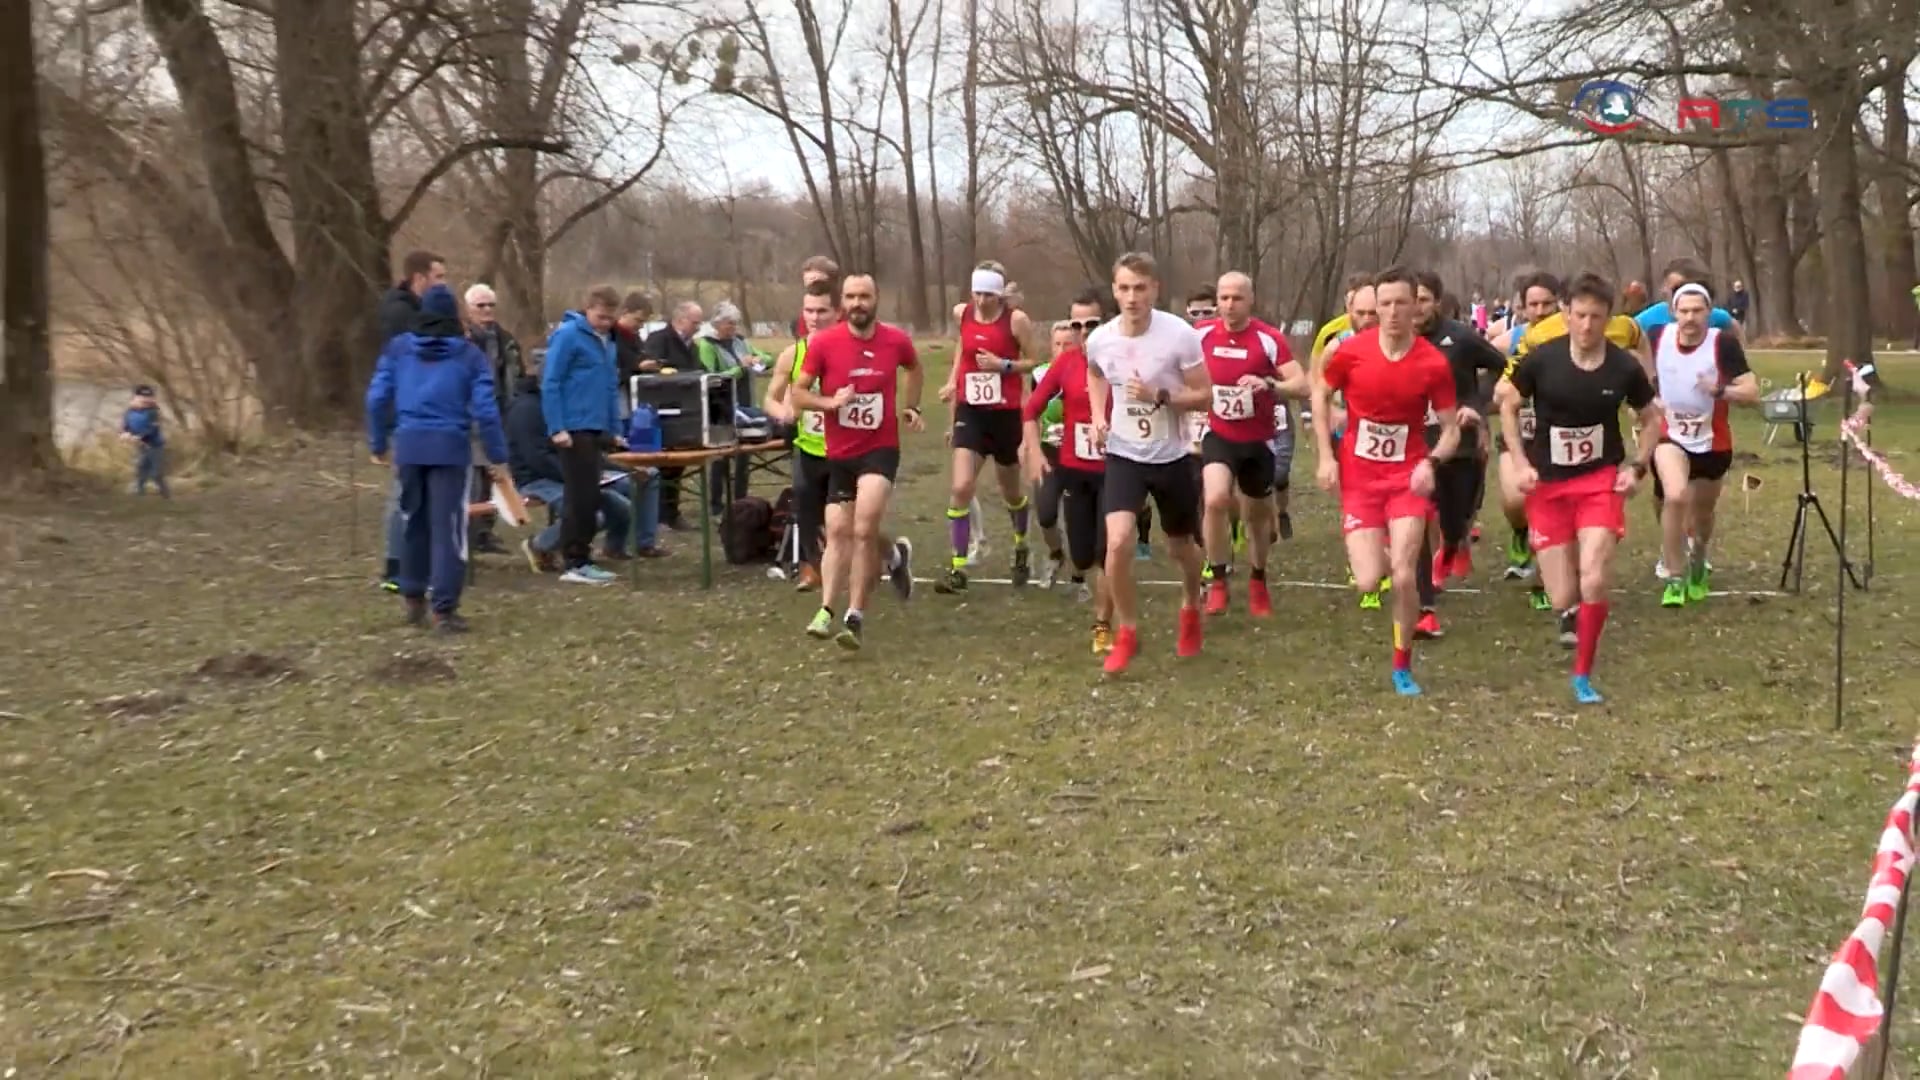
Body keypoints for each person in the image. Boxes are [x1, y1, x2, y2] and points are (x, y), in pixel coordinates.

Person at [1500, 273, 1660, 704]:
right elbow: (1508, 404)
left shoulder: (1623, 366)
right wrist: (1518, 460)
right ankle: (1568, 613)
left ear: (1608, 319)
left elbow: (1650, 418)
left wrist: (1638, 467)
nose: (1588, 325)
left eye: (1597, 317)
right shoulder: (1542, 359)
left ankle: (1583, 674)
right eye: (1580, 315)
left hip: (1599, 481)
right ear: (1566, 314)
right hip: (1549, 484)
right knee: (1562, 596)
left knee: (1593, 577)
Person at [1312, 266, 1460, 697]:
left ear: (1416, 306)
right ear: (1374, 307)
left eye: (1401, 303)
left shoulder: (1433, 363)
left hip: (1406, 478)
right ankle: (1373, 544)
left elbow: (1451, 428)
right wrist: (1325, 455)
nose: (1393, 312)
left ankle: (1402, 663)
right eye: (1385, 304)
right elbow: (1319, 392)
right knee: (1367, 580)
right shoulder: (1352, 352)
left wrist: (1431, 462)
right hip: (1359, 478)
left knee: (1403, 574)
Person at [1086, 251, 1212, 675]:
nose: (1132, 297)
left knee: (1182, 549)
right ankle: (1127, 631)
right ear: (1114, 290)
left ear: (1155, 290)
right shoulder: (1100, 338)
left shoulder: (1180, 335)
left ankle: (1191, 605)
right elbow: (1095, 372)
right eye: (1123, 288)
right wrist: (1098, 415)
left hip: (1172, 456)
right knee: (1118, 541)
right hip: (1125, 454)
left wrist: (1160, 396)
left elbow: (1205, 396)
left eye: (1140, 288)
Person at [789, 274, 925, 649]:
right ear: (842, 302)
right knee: (836, 531)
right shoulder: (825, 344)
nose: (857, 303)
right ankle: (825, 611)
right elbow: (798, 394)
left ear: (876, 298)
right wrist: (829, 403)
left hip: (880, 449)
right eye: (850, 296)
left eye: (864, 296)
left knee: (864, 529)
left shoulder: (895, 340)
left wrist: (910, 406)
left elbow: (914, 368)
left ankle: (856, 615)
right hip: (841, 454)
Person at [365, 284, 509, 633]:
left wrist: (378, 441)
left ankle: (413, 598)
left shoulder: (399, 349)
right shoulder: (469, 355)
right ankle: (444, 610)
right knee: (449, 530)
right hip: (450, 449)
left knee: (414, 521)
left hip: (410, 447)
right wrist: (498, 455)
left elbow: (376, 396)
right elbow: (486, 411)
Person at [762, 281, 915, 597]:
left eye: (822, 311)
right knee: (812, 515)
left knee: (859, 525)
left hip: (850, 449)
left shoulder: (853, 343)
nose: (814, 318)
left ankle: (885, 560)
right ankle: (813, 568)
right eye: (808, 311)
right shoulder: (793, 354)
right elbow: (770, 398)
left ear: (838, 311)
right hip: (810, 448)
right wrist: (783, 412)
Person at [1196, 271, 1305, 617]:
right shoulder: (1199, 335)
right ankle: (1217, 579)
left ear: (1250, 300)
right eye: (1223, 298)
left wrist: (1269, 383)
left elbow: (1302, 383)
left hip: (1259, 440)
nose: (1229, 305)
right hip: (1219, 434)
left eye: (1237, 298)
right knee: (1214, 499)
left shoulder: (1268, 339)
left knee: (1257, 517)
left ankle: (1258, 577)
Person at [1650, 282, 1759, 606]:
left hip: (1713, 442)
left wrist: (1721, 391)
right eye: (1684, 310)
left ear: (1709, 313)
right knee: (1675, 495)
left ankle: (1698, 558)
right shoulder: (1658, 337)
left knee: (1702, 515)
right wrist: (1646, 398)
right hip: (1670, 435)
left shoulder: (1722, 344)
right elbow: (1635, 362)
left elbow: (1752, 392)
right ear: (1674, 312)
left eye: (1698, 311)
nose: (1690, 317)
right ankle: (1674, 575)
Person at [507, 354, 665, 574]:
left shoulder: (565, 404)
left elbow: (584, 446)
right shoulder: (526, 409)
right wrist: (583, 477)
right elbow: (537, 459)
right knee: (590, 514)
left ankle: (619, 547)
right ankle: (538, 545)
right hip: (537, 479)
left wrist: (618, 467)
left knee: (626, 502)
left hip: (573, 470)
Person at [935, 261, 1039, 593]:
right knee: (961, 486)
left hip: (1005, 414)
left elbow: (1034, 361)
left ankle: (1021, 545)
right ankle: (957, 567)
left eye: (988, 295)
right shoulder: (961, 313)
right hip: (971, 412)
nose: (981, 301)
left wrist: (1002, 365)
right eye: (977, 293)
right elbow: (962, 349)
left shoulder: (1016, 320)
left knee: (1011, 492)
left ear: (1000, 294)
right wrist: (953, 382)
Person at [1414, 272, 1506, 631]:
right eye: (1412, 299)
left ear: (1437, 301)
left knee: (1455, 519)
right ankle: (1424, 599)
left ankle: (1453, 544)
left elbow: (1503, 367)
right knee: (1419, 511)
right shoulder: (1395, 339)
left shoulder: (1461, 338)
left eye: (1423, 299)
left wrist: (1476, 402)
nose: (1416, 307)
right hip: (1416, 442)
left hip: (1460, 444)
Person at [1022, 319, 1116, 652]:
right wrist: (1034, 451)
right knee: (1083, 554)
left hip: (1115, 471)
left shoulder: (1126, 357)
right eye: (1080, 325)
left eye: (1093, 323)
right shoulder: (1067, 362)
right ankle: (1075, 567)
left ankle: (1102, 626)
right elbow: (1031, 409)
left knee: (1110, 551)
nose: (1085, 330)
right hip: (1075, 470)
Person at [541, 285, 627, 586]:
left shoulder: (608, 342)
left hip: (596, 425)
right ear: (587, 309)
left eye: (610, 318)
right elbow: (551, 382)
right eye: (601, 317)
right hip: (573, 426)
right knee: (581, 496)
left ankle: (581, 554)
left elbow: (608, 388)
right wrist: (557, 427)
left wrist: (614, 428)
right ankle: (575, 559)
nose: (605, 323)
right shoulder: (567, 336)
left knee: (592, 494)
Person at [374, 250, 448, 592]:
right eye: (438, 277)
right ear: (419, 278)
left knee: (416, 494)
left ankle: (415, 563)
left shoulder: (417, 311)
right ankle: (395, 567)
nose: (442, 284)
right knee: (404, 493)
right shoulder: (401, 314)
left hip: (416, 416)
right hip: (403, 416)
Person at [463, 284, 521, 556]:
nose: (487, 311)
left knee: (496, 473)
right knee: (473, 476)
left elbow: (514, 374)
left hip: (500, 410)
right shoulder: (462, 342)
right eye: (480, 306)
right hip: (470, 415)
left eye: (490, 305)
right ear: (469, 310)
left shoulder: (506, 340)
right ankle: (469, 534)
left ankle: (485, 532)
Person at [643, 301, 705, 530]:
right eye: (694, 322)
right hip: (662, 410)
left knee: (678, 464)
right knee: (662, 465)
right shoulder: (659, 340)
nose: (698, 328)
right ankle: (658, 515)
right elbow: (650, 374)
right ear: (679, 320)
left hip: (687, 412)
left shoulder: (693, 347)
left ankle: (672, 512)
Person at [1634, 257, 1744, 341]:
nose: (1680, 295)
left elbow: (1734, 326)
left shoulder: (1713, 316)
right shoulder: (1647, 319)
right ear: (1664, 288)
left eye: (1684, 288)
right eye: (1674, 289)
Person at [120, 384, 169, 497]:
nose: (146, 399)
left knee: (156, 473)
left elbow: (152, 428)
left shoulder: (153, 412)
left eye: (149, 396)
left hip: (155, 445)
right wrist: (124, 434)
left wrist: (140, 436)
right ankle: (139, 493)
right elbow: (125, 426)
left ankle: (165, 494)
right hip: (141, 446)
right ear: (136, 397)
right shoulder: (130, 411)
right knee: (140, 469)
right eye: (143, 396)